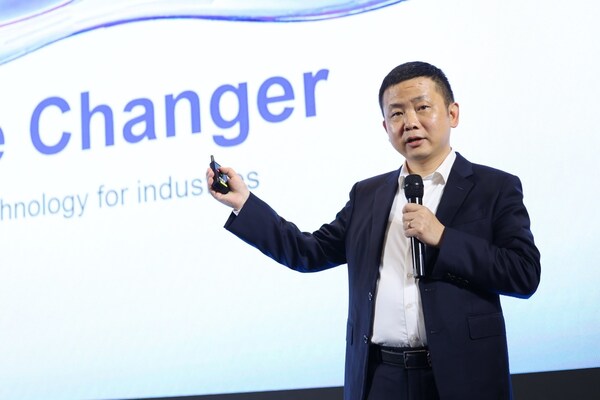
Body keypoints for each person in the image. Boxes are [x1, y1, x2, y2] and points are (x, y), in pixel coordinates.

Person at [206, 61, 541, 400]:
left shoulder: (494, 187)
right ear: (385, 126)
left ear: (452, 114)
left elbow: (524, 274)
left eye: (422, 107)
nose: (410, 122)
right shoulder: (367, 195)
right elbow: (307, 252)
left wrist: (443, 237)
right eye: (396, 114)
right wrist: (244, 203)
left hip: (462, 377)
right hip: (380, 378)